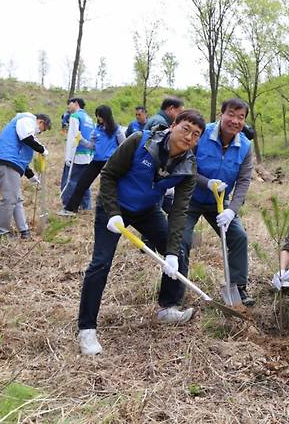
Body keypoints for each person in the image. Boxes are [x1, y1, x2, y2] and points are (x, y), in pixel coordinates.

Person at [77, 109, 205, 356]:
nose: (189, 137)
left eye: (196, 134)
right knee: (101, 263)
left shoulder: (188, 168)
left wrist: (171, 252)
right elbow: (109, 175)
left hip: (147, 210)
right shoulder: (139, 141)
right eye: (185, 128)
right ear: (173, 125)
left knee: (178, 247)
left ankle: (168, 307)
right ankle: (87, 329)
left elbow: (179, 212)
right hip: (113, 207)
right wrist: (113, 212)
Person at [179, 98, 255, 306]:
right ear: (221, 114)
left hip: (220, 202)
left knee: (239, 237)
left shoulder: (245, 146)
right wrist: (206, 182)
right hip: (190, 197)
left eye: (241, 117)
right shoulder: (202, 134)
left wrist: (231, 211)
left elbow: (243, 181)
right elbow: (186, 165)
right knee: (182, 240)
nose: (235, 121)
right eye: (231, 114)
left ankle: (238, 287)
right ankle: (176, 293)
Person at [58, 105, 125, 216]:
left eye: (100, 116)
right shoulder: (96, 130)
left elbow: (123, 144)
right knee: (82, 183)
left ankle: (115, 211)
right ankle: (70, 209)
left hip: (110, 162)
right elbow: (91, 146)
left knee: (110, 187)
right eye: (97, 116)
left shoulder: (116, 129)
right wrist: (81, 140)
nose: (99, 118)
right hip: (96, 161)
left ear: (106, 116)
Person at [0, 113, 51, 238]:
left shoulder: (24, 126)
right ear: (40, 122)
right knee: (10, 199)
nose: (39, 133)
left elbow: (20, 157)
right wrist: (41, 149)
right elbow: (27, 138)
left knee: (16, 199)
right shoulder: (27, 119)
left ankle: (24, 231)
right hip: (6, 163)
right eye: (42, 130)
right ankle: (0, 232)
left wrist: (31, 176)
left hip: (10, 163)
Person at [60, 97, 94, 210]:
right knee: (84, 181)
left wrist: (68, 156)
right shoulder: (89, 119)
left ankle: (68, 206)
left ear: (76, 103)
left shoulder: (75, 116)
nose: (68, 107)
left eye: (69, 104)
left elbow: (73, 137)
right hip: (88, 155)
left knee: (71, 180)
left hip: (77, 154)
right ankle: (86, 206)